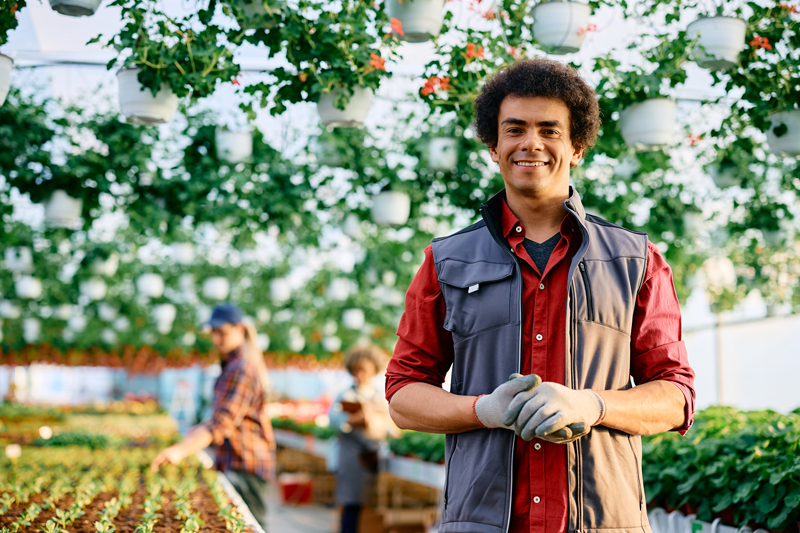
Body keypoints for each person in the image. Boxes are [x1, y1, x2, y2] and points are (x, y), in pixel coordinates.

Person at [385, 59, 696, 533]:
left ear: (578, 147)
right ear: (494, 146)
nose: (531, 143)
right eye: (515, 129)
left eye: (550, 130)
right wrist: (482, 410)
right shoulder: (445, 262)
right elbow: (403, 398)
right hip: (481, 523)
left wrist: (592, 405)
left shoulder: (637, 260)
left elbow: (676, 396)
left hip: (602, 523)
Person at [151, 303, 275, 530]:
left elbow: (222, 423)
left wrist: (180, 451)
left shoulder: (243, 367)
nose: (216, 339)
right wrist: (190, 438)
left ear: (239, 329)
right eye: (214, 333)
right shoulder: (232, 365)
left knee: (251, 525)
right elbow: (218, 418)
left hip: (246, 461)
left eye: (222, 332)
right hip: (235, 459)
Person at [329, 345, 393, 533]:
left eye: (365, 370)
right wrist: (351, 419)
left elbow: (387, 424)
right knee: (351, 503)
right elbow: (333, 419)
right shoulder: (346, 395)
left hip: (371, 456)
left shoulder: (378, 396)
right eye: (357, 370)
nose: (361, 374)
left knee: (367, 502)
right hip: (351, 458)